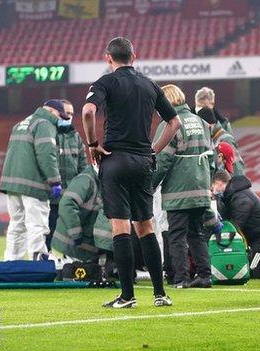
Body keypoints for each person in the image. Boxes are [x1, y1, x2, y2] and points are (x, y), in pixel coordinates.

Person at [82, 37, 181, 308]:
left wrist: (93, 144)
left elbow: (89, 111)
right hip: (142, 160)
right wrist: (153, 150)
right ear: (134, 57)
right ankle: (160, 294)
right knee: (146, 224)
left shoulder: (105, 82)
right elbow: (174, 121)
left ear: (108, 58)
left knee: (120, 226)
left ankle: (127, 296)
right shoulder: (150, 84)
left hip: (114, 159)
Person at [152, 84, 221, 289]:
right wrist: (207, 185)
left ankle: (181, 279)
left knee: (177, 236)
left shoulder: (170, 123)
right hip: (200, 189)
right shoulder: (200, 121)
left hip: (178, 191)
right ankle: (204, 276)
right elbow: (212, 158)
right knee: (197, 234)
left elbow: (161, 160)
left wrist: (150, 185)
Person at [0, 99, 67, 261]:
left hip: (12, 182)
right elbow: (46, 154)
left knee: (17, 224)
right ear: (51, 111)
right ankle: (38, 256)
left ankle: (12, 260)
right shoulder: (44, 124)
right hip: (33, 183)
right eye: (59, 115)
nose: (60, 120)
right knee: (37, 223)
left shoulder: (21, 123)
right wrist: (55, 181)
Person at [47, 99, 87, 251]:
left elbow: (83, 166)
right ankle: (48, 259)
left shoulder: (75, 137)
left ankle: (67, 261)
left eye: (71, 113)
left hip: (70, 197)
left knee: (71, 234)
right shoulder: (48, 132)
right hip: (52, 196)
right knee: (49, 230)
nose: (68, 116)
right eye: (66, 113)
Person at [51, 165, 112, 262]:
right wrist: (76, 235)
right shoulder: (86, 180)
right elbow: (67, 205)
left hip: (86, 252)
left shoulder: (105, 182)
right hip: (69, 250)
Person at [197, 106, 246, 176]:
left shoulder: (225, 139)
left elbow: (236, 166)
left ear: (209, 125)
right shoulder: (212, 138)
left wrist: (236, 186)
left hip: (229, 184)